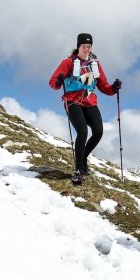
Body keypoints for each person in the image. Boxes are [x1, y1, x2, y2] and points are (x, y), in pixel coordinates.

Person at [49, 33, 121, 185]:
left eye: (89, 46)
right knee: (82, 131)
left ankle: (83, 159)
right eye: (84, 46)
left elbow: (103, 86)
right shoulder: (68, 62)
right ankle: (79, 169)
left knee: (98, 131)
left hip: (89, 101)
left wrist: (113, 88)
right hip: (72, 101)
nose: (86, 49)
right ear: (78, 46)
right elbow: (53, 82)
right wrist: (59, 81)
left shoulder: (94, 64)